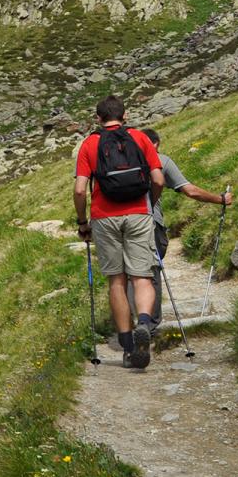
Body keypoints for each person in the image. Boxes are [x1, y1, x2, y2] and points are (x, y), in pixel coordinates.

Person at [74, 96, 165, 368]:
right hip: (138, 213)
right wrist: (149, 202)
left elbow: (80, 189)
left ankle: (127, 347)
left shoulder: (90, 144)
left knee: (116, 280)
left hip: (104, 217)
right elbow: (158, 179)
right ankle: (145, 324)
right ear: (125, 115)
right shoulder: (140, 138)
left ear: (98, 118)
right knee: (142, 276)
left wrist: (82, 223)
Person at [139, 128, 234, 324]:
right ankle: (148, 325)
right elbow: (190, 191)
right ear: (155, 143)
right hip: (149, 222)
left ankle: (127, 325)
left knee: (126, 272)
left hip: (116, 221)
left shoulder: (121, 160)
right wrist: (221, 199)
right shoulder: (161, 160)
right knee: (151, 270)